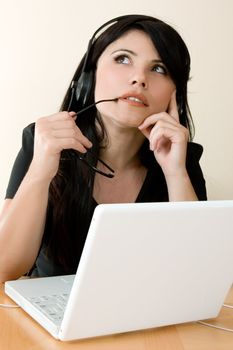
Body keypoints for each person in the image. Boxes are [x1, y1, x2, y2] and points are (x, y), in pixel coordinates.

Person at [0, 14, 207, 282]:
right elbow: (5, 268)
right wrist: (40, 171)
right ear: (89, 76)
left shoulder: (181, 159)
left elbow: (197, 274)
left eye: (158, 69)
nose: (139, 78)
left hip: (145, 319)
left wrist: (175, 173)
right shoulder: (43, 141)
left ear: (173, 94)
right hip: (52, 319)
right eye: (123, 59)